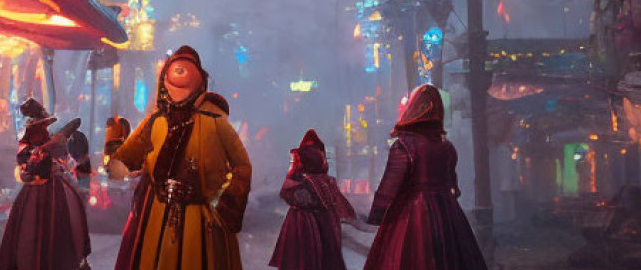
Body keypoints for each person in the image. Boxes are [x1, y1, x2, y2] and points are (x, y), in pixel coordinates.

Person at [108, 45, 252, 270]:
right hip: (158, 212)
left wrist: (223, 203)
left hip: (203, 219)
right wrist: (113, 149)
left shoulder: (215, 120)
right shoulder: (156, 121)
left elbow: (242, 166)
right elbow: (124, 160)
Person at [363, 84, 487, 270]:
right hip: (447, 213)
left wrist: (377, 215)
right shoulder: (446, 146)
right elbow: (453, 187)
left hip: (413, 213)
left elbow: (390, 187)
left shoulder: (404, 145)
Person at [0, 98, 91, 270]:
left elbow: (65, 160)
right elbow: (27, 161)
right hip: (40, 187)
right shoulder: (32, 136)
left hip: (52, 186)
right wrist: (39, 156)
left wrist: (52, 160)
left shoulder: (50, 133)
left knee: (60, 226)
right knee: (33, 232)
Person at [269, 129, 358, 270]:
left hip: (304, 224)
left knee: (306, 260)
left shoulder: (304, 183)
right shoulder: (327, 182)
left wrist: (294, 169)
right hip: (324, 223)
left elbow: (286, 193)